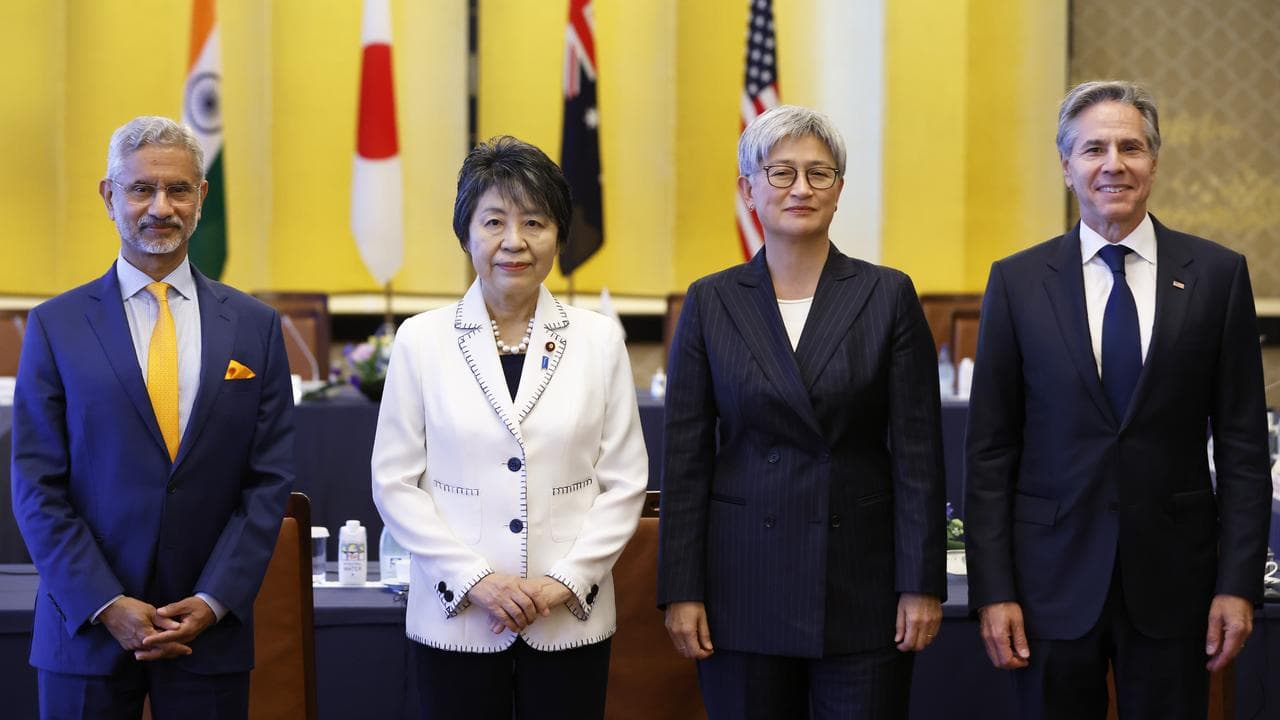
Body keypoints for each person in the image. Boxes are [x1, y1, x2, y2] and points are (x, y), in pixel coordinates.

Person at [965, 80, 1272, 719]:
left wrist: (1237, 586)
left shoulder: (1217, 276)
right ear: (1066, 166)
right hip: (1048, 586)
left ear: (1154, 162)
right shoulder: (1017, 282)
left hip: (1176, 585)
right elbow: (991, 450)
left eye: (1130, 147)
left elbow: (1243, 448)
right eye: (1093, 148)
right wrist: (994, 590)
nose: (1113, 164)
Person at [656, 105, 947, 719]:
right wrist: (681, 590)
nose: (801, 189)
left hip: (861, 586)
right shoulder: (710, 302)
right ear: (748, 189)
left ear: (840, 190)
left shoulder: (886, 295)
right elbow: (684, 461)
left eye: (820, 174)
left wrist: (921, 583)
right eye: (781, 172)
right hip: (741, 583)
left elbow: (919, 456)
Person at [11, 115, 296, 718]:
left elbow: (269, 479)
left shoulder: (255, 326)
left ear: (201, 197)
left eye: (178, 190)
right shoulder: (56, 325)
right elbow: (37, 485)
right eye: (141, 188)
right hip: (84, 630)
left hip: (207, 633)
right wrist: (105, 601)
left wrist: (215, 598)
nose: (160, 207)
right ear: (108, 195)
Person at [370, 135, 648, 719]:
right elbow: (395, 484)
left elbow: (624, 483)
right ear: (466, 233)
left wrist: (564, 581)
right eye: (493, 221)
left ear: (558, 236)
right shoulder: (421, 340)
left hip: (568, 613)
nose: (514, 242)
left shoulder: (598, 341)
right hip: (458, 614)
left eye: (535, 222)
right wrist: (477, 580)